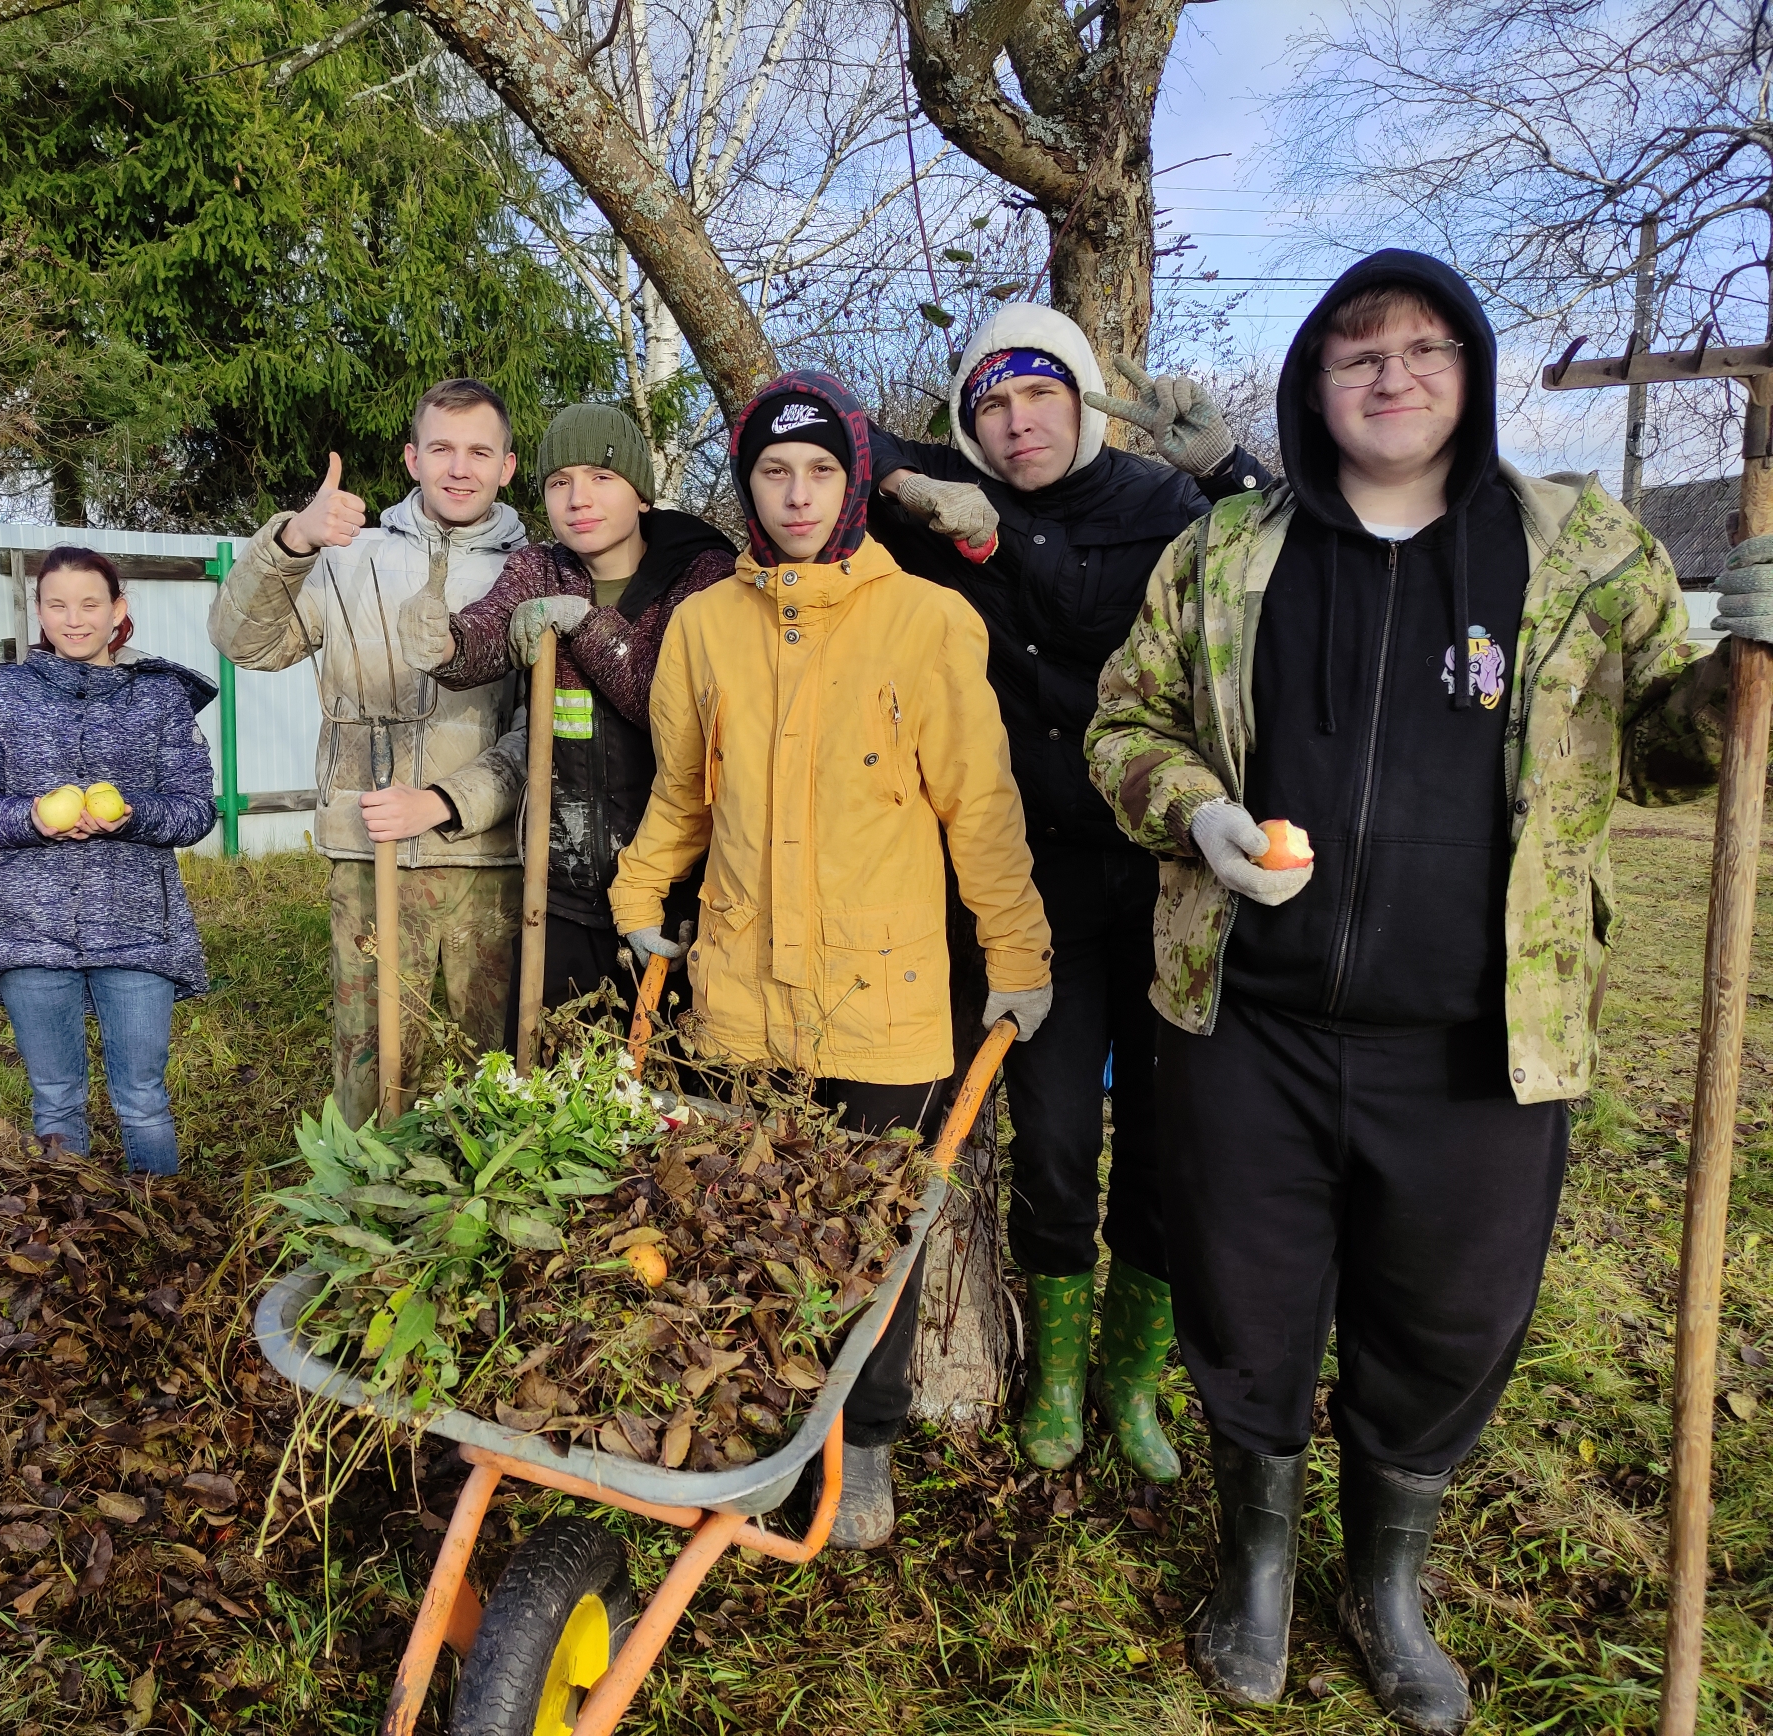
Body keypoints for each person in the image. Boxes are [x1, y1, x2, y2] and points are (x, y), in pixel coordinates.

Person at [1086, 249, 1738, 1732]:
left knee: (1449, 1322)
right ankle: (1254, 1558)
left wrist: (1748, 668)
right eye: (1358, 351)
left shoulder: (1582, 555)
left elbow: (1669, 752)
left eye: (1425, 348)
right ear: (1316, 382)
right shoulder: (1227, 554)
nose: (1392, 374)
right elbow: (1126, 721)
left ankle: (1385, 1583)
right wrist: (1195, 814)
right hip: (1246, 1024)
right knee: (1246, 1309)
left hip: (1478, 1045)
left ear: (1474, 373)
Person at [609, 370, 1055, 1549]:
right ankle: (756, 1427)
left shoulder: (925, 619)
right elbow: (680, 794)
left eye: (818, 470)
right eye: (772, 471)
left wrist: (1016, 954)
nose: (796, 493)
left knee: (877, 1237)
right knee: (740, 1214)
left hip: (886, 998)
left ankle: (865, 1449)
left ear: (853, 481)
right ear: (745, 486)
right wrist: (638, 890)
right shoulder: (705, 625)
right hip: (739, 992)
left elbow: (981, 808)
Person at [867, 303, 1273, 1484]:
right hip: (1028, 881)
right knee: (1049, 1140)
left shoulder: (1161, 506)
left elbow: (1294, 558)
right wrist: (900, 477)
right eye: (988, 404)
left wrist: (1225, 463)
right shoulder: (947, 497)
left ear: (1084, 398)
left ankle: (1127, 1379)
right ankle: (1049, 1371)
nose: (1014, 423)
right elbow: (815, 437)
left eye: (1038, 394)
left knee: (1162, 1139)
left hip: (1166, 866)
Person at [208, 379, 530, 1125]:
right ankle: (373, 1217)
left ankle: (475, 1223)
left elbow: (531, 730)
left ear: (507, 467)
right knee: (373, 1055)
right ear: (413, 457)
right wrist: (291, 540)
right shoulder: (348, 559)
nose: (460, 468)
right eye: (442, 449)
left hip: (484, 861)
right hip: (366, 853)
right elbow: (242, 643)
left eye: (480, 451)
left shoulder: (529, 574)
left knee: (488, 1062)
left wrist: (450, 801)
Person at [398, 402, 734, 1021]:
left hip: (679, 887)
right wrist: (443, 642)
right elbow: (486, 638)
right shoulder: (539, 567)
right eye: (559, 483)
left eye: (601, 477)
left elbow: (661, 702)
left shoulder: (702, 576)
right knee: (556, 1075)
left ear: (640, 492)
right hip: (563, 882)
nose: (578, 498)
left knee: (670, 1086)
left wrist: (585, 625)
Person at [0, 548, 219, 1174]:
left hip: (138, 928)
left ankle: (160, 1231)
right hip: (27, 929)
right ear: (38, 611)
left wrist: (136, 814)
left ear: (118, 609)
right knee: (56, 1100)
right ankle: (69, 1232)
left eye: (90, 603)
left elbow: (196, 811)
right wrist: (30, 820)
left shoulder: (161, 696)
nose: (74, 619)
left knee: (143, 1099)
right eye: (57, 604)